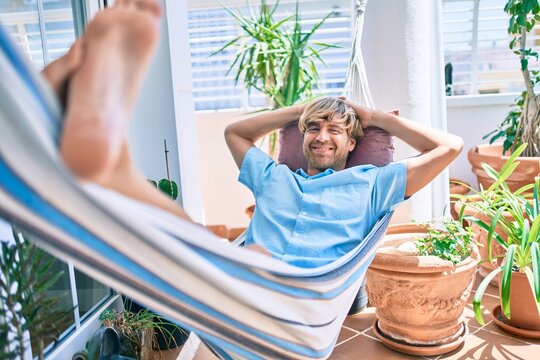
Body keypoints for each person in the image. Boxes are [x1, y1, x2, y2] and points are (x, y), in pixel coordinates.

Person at [224, 98, 463, 267]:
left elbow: (450, 146)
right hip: (249, 284)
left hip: (312, 294)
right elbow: (234, 133)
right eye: (313, 128)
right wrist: (299, 111)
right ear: (303, 138)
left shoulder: (373, 184)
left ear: (351, 144)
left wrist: (374, 118)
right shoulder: (272, 177)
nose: (322, 137)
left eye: (334, 130)